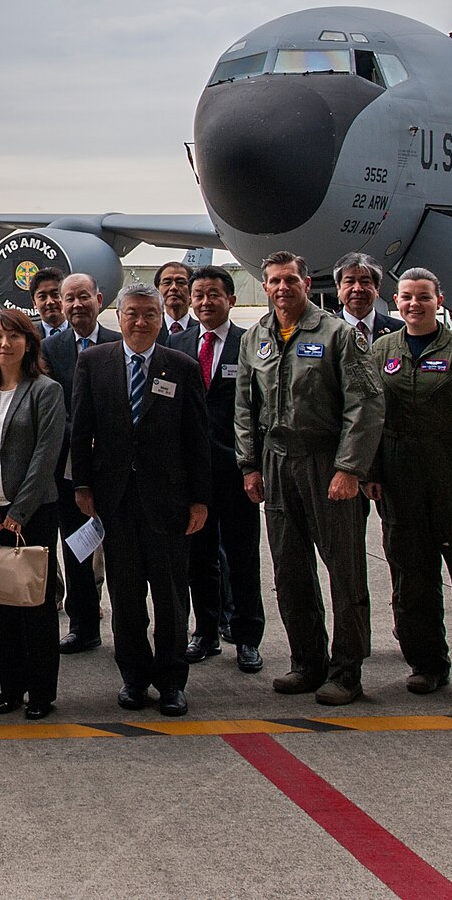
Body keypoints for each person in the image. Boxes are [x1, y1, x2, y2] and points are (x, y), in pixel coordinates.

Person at [235, 252, 384, 706]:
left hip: (325, 463)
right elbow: (245, 405)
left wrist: (349, 468)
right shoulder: (256, 338)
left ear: (307, 282)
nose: (283, 288)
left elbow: (366, 404)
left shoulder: (338, 334)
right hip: (278, 462)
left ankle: (347, 670)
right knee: (290, 568)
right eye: (275, 281)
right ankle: (307, 662)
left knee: (344, 570)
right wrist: (250, 464)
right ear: (265, 286)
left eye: (291, 280)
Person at [363, 268, 452, 702]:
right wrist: (370, 471)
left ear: (438, 300)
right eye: (406, 297)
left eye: (423, 297)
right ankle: (426, 663)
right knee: (410, 580)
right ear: (395, 301)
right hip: (401, 481)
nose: (414, 304)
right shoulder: (381, 350)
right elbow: (369, 416)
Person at [71, 284, 211, 717]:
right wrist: (82, 485)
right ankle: (133, 678)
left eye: (150, 314)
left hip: (167, 501)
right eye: (132, 313)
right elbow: (80, 428)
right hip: (115, 500)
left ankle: (170, 682)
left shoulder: (181, 366)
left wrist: (200, 499)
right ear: (117, 314)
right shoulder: (94, 362)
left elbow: (197, 439)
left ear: (160, 317)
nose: (141, 322)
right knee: (126, 596)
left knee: (170, 596)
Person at [0, 311, 67, 719]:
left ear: (29, 343)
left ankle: (41, 692)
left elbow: (46, 456)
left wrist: (18, 513)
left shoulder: (46, 390)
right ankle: (10, 688)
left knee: (35, 606)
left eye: (12, 336)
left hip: (33, 513)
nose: (4, 344)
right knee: (0, 605)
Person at [177, 266, 265, 673]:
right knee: (199, 557)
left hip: (237, 471)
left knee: (243, 557)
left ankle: (247, 638)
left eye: (214, 294)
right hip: (192, 475)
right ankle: (206, 632)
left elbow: (261, 408)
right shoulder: (176, 345)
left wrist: (253, 464)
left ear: (231, 299)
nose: (205, 301)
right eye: (199, 295)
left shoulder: (251, 344)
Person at [39, 272, 121, 656]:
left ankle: (128, 624)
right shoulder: (50, 349)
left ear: (99, 299)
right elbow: (52, 406)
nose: (75, 305)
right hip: (69, 467)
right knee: (75, 547)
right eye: (67, 298)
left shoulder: (118, 344)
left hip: (115, 465)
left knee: (121, 549)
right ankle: (83, 625)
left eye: (82, 297)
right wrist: (81, 432)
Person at [335, 253, 402, 346]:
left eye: (365, 282)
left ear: (377, 288)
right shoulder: (325, 330)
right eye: (350, 281)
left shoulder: (400, 331)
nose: (357, 288)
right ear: (338, 287)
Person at [155, 262, 197, 341]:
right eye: (167, 283)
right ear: (158, 290)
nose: (173, 288)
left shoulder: (203, 331)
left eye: (181, 283)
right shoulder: (149, 330)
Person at [29, 267, 66, 336]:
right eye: (42, 297)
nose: (50, 302)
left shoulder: (80, 332)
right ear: (34, 302)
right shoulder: (29, 338)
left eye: (55, 295)